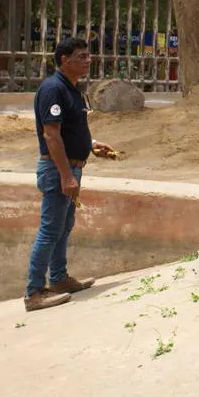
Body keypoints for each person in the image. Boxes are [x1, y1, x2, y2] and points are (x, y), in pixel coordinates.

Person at [24, 37, 118, 312]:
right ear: (65, 60)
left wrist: (91, 146)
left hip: (71, 166)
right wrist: (66, 176)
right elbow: (51, 135)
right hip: (58, 169)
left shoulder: (72, 90)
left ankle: (59, 279)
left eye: (88, 56)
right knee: (50, 229)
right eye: (82, 56)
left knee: (63, 227)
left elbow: (69, 130)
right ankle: (34, 291)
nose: (88, 61)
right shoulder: (53, 89)